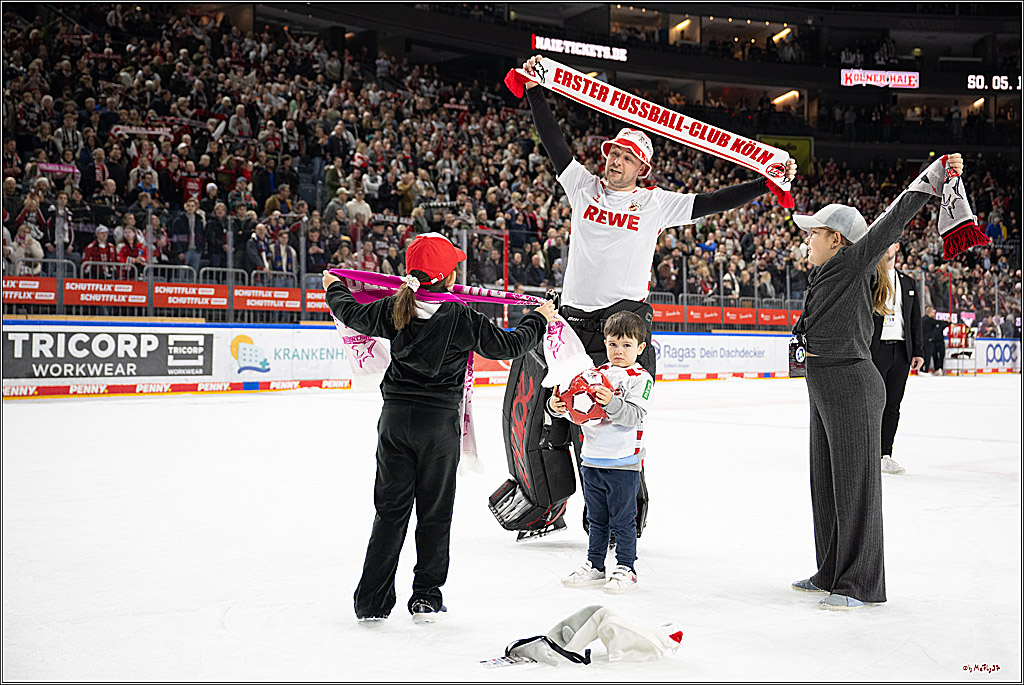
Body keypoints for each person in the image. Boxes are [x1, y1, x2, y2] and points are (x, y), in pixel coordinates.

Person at [520, 54, 797, 534]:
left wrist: (763, 184)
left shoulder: (655, 203)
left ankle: (621, 520)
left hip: (622, 323)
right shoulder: (583, 187)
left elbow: (712, 203)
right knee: (561, 418)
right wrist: (534, 90)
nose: (613, 160)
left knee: (613, 422)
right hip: (571, 320)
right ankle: (551, 508)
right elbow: (554, 143)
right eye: (612, 153)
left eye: (624, 157)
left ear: (641, 167)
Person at [321, 233, 557, 623]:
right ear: (449, 276)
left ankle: (372, 602)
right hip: (438, 428)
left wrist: (333, 288)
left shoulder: (395, 306)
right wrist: (538, 319)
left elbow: (350, 312)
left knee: (390, 513)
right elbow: (508, 346)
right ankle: (427, 596)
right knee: (434, 513)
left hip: (395, 422)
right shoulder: (461, 316)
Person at [789, 153, 964, 611]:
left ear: (836, 239)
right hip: (824, 383)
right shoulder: (824, 274)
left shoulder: (852, 263)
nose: (806, 240)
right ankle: (831, 571)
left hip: (850, 383)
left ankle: (860, 583)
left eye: (813, 233)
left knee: (855, 485)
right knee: (825, 483)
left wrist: (934, 176)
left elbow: (892, 221)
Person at [550, 311, 653, 594]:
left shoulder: (640, 378)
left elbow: (634, 416)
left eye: (626, 345)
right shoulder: (596, 375)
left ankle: (626, 568)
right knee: (597, 520)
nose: (619, 351)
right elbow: (582, 415)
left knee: (622, 520)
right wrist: (558, 409)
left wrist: (611, 403)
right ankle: (595, 566)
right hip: (592, 460)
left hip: (623, 463)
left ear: (640, 348)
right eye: (613, 344)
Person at [869, 242, 924, 476]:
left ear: (897, 247)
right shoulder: (870, 278)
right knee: (873, 404)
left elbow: (915, 319)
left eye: (889, 243)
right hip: (876, 349)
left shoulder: (908, 282)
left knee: (893, 405)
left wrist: (918, 351)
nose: (885, 247)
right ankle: (867, 452)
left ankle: (884, 454)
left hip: (901, 351)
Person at [921, 306, 949, 375]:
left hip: (922, 341)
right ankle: (924, 370)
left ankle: (924, 369)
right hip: (928, 341)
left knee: (926, 355)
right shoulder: (929, 321)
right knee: (927, 356)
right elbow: (938, 323)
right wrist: (948, 322)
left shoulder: (922, 320)